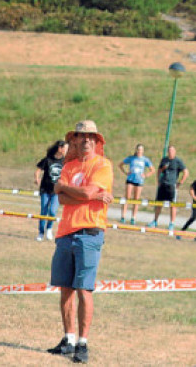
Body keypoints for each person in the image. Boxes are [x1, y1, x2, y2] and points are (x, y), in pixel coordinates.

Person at [46, 120, 113, 364]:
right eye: (81, 136)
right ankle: (69, 339)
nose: (85, 140)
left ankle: (82, 343)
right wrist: (89, 194)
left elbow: (70, 193)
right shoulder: (70, 166)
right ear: (74, 140)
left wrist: (68, 189)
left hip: (90, 232)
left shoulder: (103, 165)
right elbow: (62, 198)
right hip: (65, 232)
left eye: (90, 137)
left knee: (84, 289)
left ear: (97, 141)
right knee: (65, 289)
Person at [148, 145, 188, 230]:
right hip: (163, 184)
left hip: (171, 186)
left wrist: (180, 182)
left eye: (172, 151)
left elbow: (186, 172)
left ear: (175, 152)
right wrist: (158, 180)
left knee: (172, 205)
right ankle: (155, 221)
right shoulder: (164, 160)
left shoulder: (178, 161)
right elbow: (159, 170)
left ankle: (171, 224)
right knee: (158, 204)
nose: (170, 152)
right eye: (169, 151)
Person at [35, 140, 68, 241]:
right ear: (59, 148)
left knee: (53, 212)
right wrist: (37, 178)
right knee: (43, 211)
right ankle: (41, 232)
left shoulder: (65, 161)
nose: (66, 150)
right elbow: (38, 169)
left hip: (57, 192)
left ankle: (49, 229)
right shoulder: (48, 160)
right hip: (45, 189)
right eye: (65, 148)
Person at [118, 144, 155, 225]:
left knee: (136, 199)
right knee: (127, 198)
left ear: (143, 151)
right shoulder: (131, 158)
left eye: (141, 150)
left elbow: (152, 170)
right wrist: (125, 172)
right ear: (136, 150)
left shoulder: (145, 160)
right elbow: (120, 164)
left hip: (139, 181)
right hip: (130, 179)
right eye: (138, 150)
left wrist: (145, 175)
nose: (139, 151)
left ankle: (133, 218)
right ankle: (123, 216)